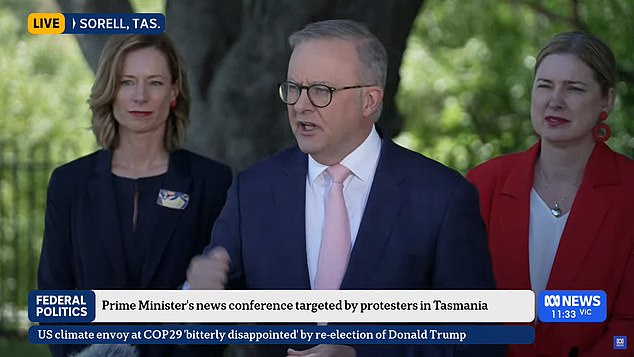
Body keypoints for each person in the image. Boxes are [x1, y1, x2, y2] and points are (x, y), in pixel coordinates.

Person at [187, 19, 501, 356]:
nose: (300, 105)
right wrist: (197, 297)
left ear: (369, 101)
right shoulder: (252, 191)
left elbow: (478, 341)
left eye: (321, 91)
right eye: (293, 88)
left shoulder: (442, 198)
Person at [37, 34, 232, 357]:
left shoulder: (211, 182)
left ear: (173, 92)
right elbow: (54, 294)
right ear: (110, 90)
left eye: (154, 83)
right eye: (127, 82)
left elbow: (225, 295)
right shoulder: (69, 183)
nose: (140, 96)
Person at [467, 31, 634, 356]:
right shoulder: (483, 184)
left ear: (607, 100)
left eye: (574, 88)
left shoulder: (630, 192)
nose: (554, 100)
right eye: (545, 85)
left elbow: (628, 328)